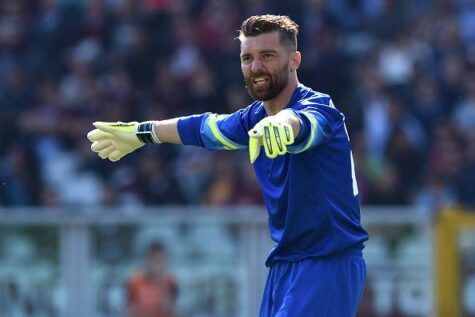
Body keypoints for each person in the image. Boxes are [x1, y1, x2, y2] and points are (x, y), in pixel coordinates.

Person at [88, 14, 368, 316]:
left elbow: (304, 124)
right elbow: (204, 128)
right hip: (286, 266)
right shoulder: (253, 118)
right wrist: (143, 133)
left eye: (267, 56)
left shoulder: (318, 107)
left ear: (294, 60)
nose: (256, 67)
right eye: (247, 58)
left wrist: (284, 125)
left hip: (327, 262)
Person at [127, 242, 178, 317]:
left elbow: (177, 309)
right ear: (147, 260)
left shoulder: (170, 282)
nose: (158, 265)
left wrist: (169, 306)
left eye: (162, 260)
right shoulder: (136, 283)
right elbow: (128, 309)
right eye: (155, 260)